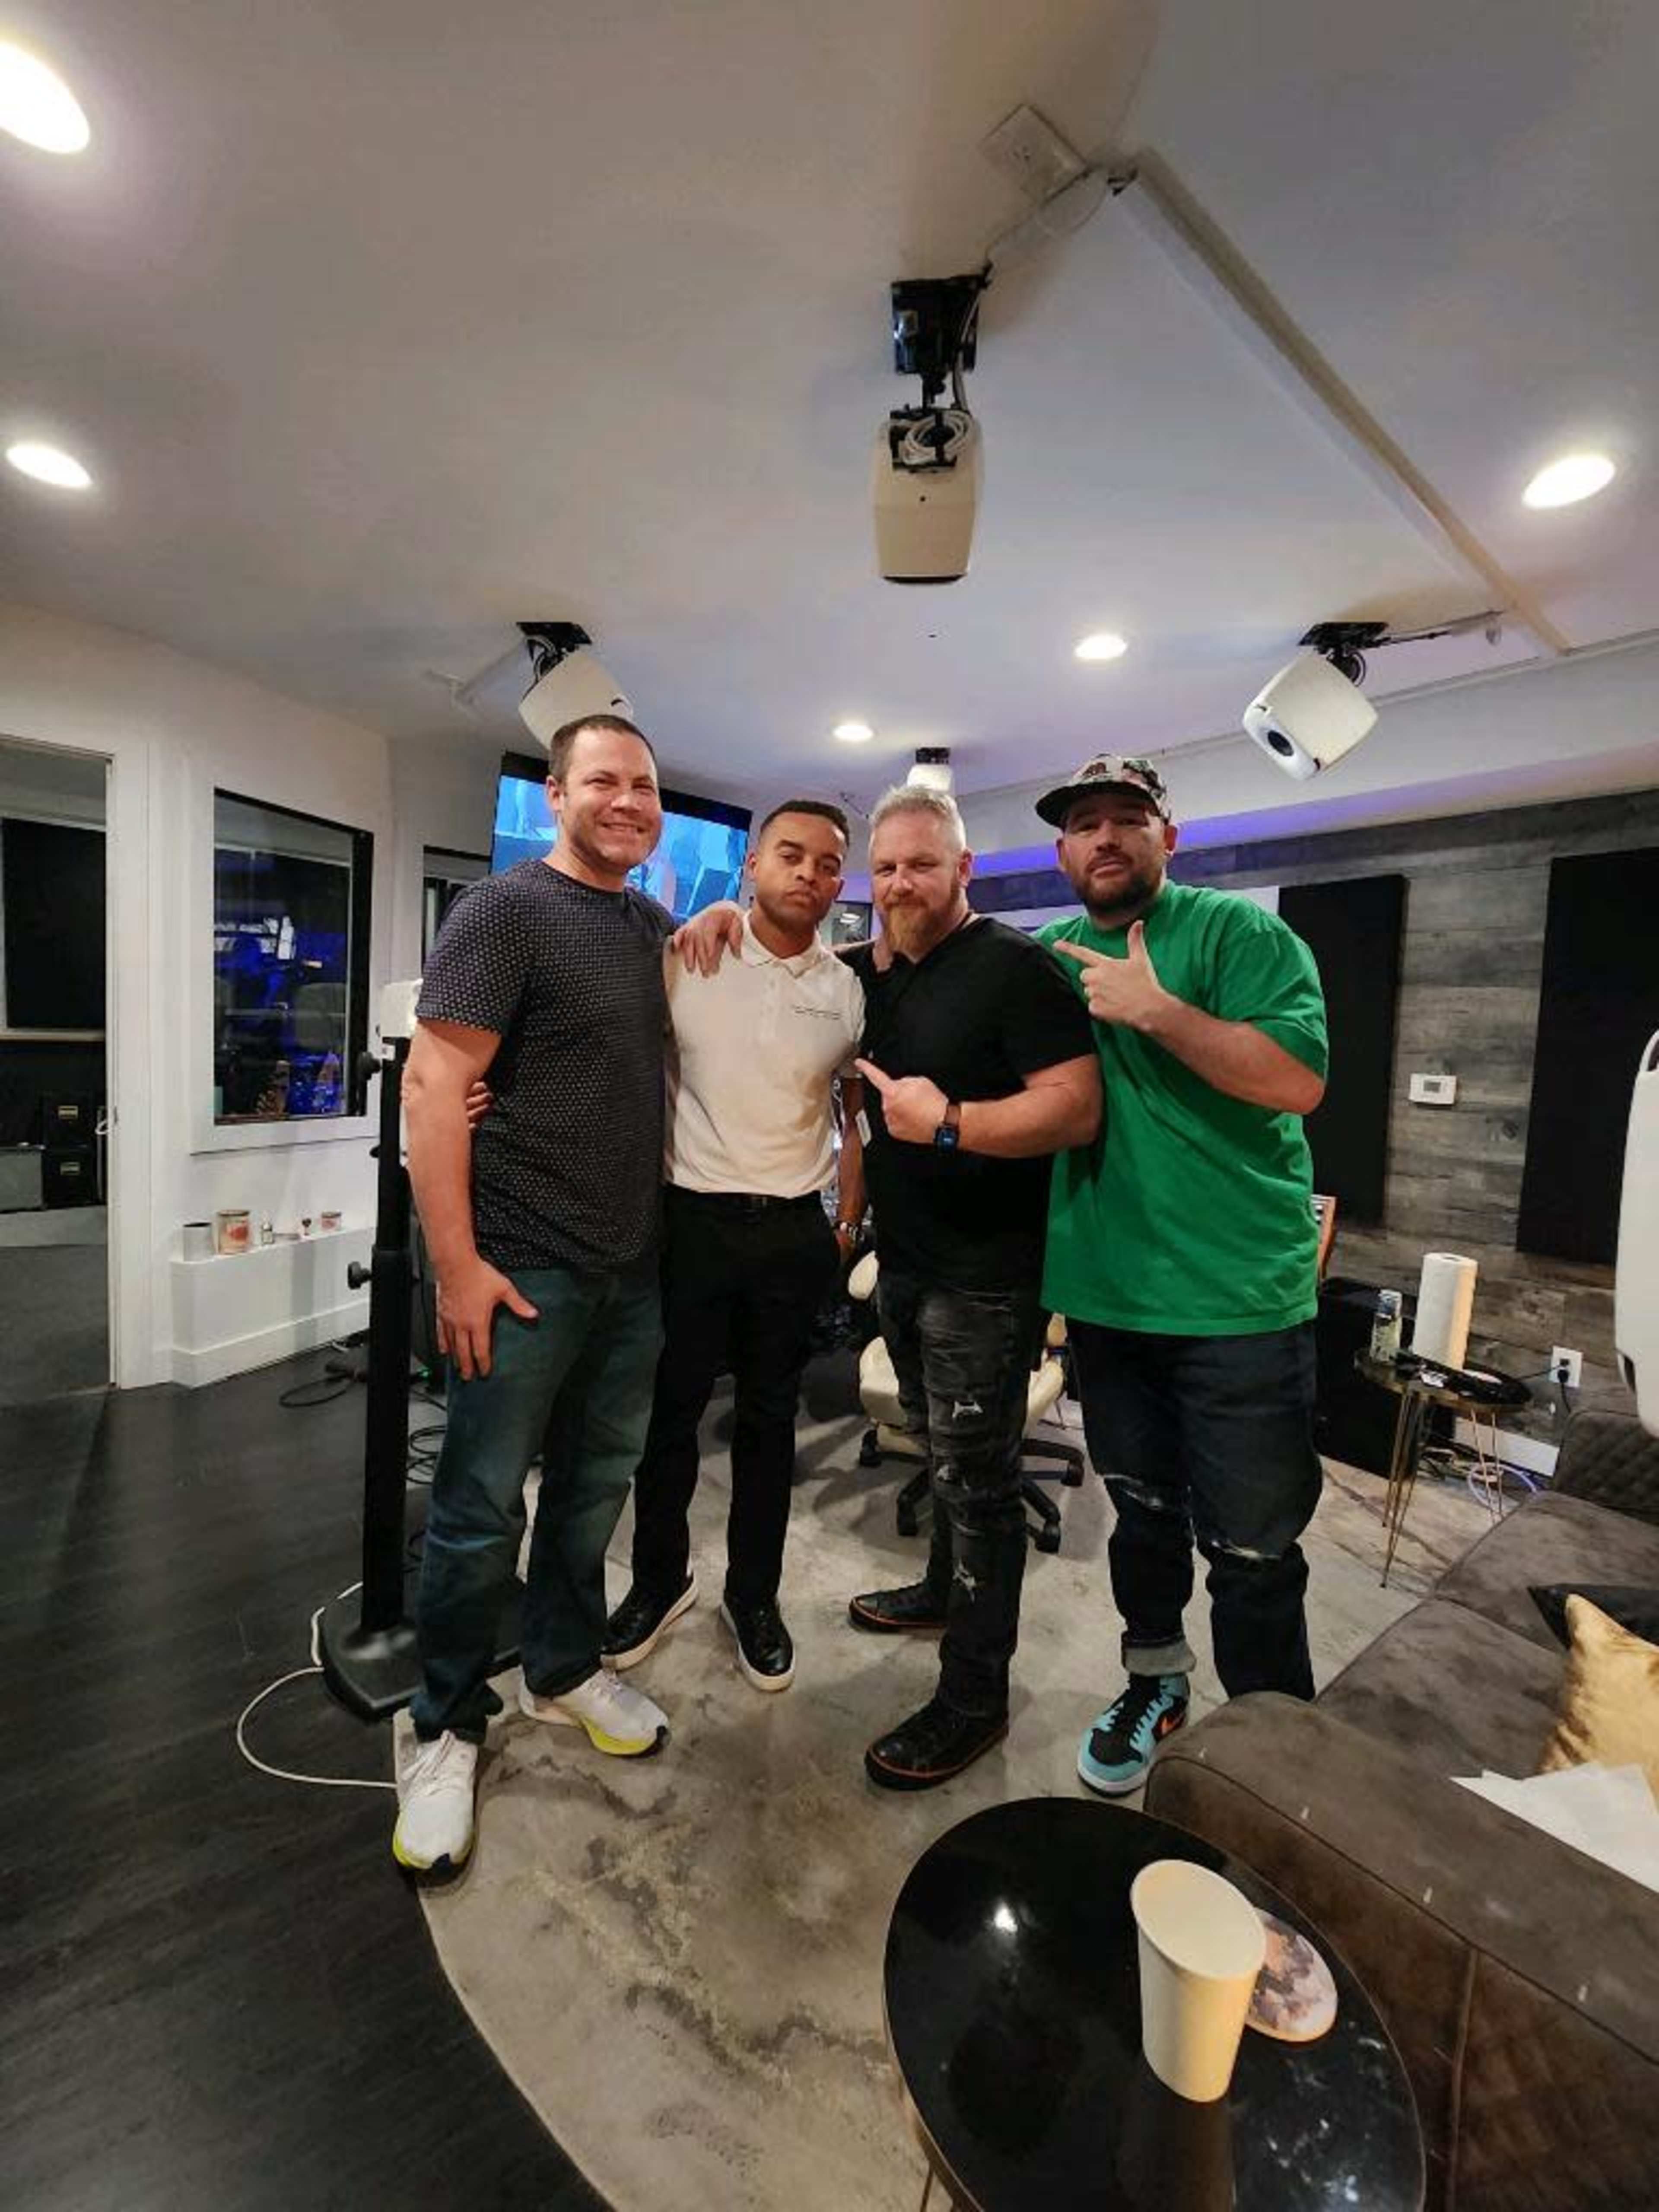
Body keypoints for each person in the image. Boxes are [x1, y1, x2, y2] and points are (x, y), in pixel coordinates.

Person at [392, 714, 675, 1875]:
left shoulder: (653, 925)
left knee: (593, 1491)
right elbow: (433, 1079)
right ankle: (445, 1726)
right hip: (519, 1268)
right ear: (558, 795)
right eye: (601, 781)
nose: (626, 800)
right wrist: (456, 1266)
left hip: (631, 1268)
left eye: (643, 785)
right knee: (475, 1511)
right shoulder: (507, 911)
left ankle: (562, 1667)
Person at [1034, 754, 1329, 1798]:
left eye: (1126, 819)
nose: (1104, 838)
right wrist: (738, 928)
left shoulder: (1243, 936)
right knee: (1144, 1517)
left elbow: (1295, 1079)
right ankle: (1154, 1681)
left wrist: (1155, 1008)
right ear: (1063, 851)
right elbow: (914, 959)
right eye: (1084, 824)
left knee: (1252, 1553)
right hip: (1112, 1301)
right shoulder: (1050, 951)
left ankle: (1272, 1763)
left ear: (1171, 834)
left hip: (1238, 1305)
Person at [843, 785, 1100, 1789]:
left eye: (921, 864)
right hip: (905, 1263)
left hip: (987, 1282)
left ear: (965, 869)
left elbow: (1075, 1109)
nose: (902, 883)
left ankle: (974, 1700)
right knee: (936, 1456)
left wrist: (949, 1120)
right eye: (887, 868)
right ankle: (942, 1593)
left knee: (979, 1487)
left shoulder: (1016, 968)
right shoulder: (883, 972)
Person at [603, 800, 867, 1692]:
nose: (809, 874)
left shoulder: (848, 991)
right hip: (692, 1225)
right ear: (752, 865)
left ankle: (754, 1597)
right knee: (667, 1418)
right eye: (790, 855)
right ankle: (657, 1581)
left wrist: (844, 1222)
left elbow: (856, 1118)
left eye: (828, 864)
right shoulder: (688, 956)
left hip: (794, 1232)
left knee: (769, 1425)